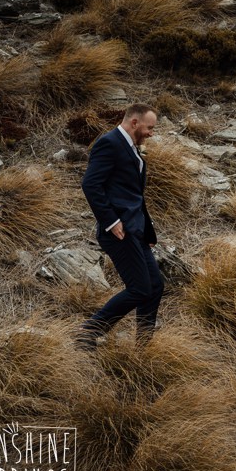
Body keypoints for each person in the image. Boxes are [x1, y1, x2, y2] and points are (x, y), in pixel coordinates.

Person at [76, 103, 164, 350]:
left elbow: (133, 194)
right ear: (134, 122)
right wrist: (111, 221)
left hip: (136, 230)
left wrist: (148, 230)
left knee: (155, 286)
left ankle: (144, 346)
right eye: (149, 128)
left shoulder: (133, 148)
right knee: (139, 288)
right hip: (119, 231)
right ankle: (89, 330)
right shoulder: (110, 143)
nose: (151, 133)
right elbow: (90, 185)